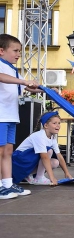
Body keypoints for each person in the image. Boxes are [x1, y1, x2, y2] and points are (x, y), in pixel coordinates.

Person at [0, 34, 42, 199]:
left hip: (11, 116)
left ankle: (7, 184)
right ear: (1, 51)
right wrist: (24, 82)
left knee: (8, 151)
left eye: (20, 51)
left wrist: (42, 89)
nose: (18, 54)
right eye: (15, 50)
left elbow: (26, 87)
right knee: (1, 150)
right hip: (1, 116)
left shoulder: (13, 69)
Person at [12, 111, 73, 185]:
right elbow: (44, 157)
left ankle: (28, 175)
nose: (58, 125)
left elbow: (59, 156)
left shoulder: (52, 138)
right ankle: (39, 178)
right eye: (54, 123)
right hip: (17, 163)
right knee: (49, 151)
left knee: (55, 162)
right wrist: (52, 178)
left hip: (26, 162)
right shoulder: (40, 136)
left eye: (59, 123)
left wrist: (66, 173)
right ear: (46, 125)